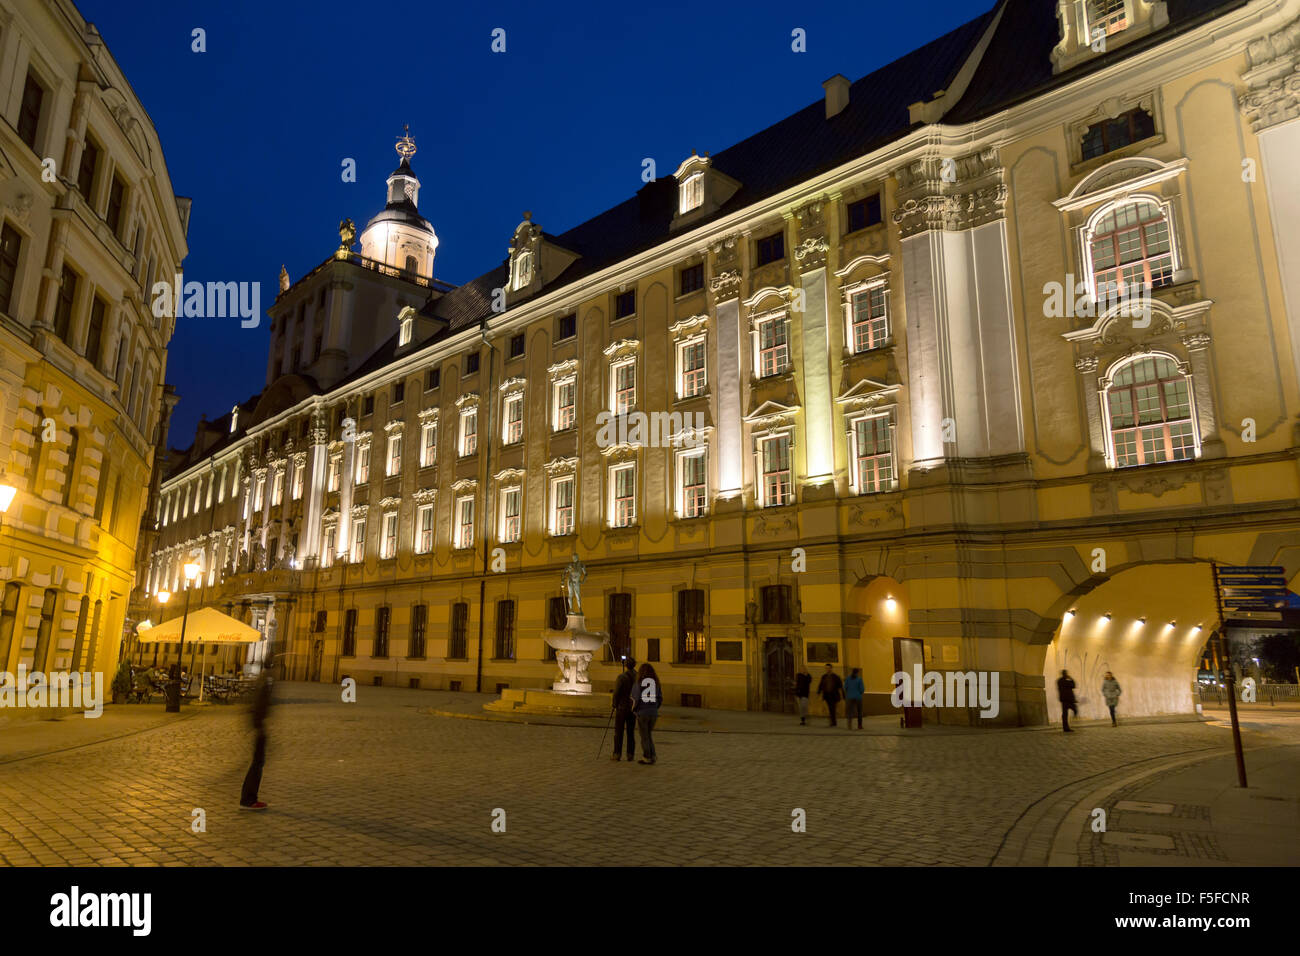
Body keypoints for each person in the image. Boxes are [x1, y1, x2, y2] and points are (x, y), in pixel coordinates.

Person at [239, 664, 274, 810]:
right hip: (258, 727)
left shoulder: (263, 679)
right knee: (257, 763)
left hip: (258, 725)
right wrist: (259, 726)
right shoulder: (266, 681)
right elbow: (259, 704)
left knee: (258, 762)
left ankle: (249, 798)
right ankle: (249, 799)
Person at [633, 663, 662, 765]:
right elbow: (660, 698)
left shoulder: (639, 682)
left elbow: (635, 698)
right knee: (648, 735)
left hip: (642, 712)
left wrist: (635, 710)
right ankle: (653, 755)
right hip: (653, 713)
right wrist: (654, 707)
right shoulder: (656, 683)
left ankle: (647, 756)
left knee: (644, 736)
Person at [611, 657, 637, 762]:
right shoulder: (638, 677)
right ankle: (630, 754)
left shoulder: (621, 677)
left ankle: (617, 754)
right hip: (633, 707)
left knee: (619, 732)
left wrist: (614, 704)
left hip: (622, 707)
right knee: (631, 732)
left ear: (626, 665)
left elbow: (616, 692)